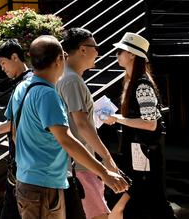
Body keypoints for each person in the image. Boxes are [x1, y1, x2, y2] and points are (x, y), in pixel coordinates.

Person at [10, 36, 127, 219]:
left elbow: (14, 132)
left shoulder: (22, 88)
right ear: (58, 59)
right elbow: (66, 139)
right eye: (63, 55)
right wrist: (105, 173)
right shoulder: (48, 94)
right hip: (45, 184)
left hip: (26, 179)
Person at [101, 33, 175, 219]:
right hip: (137, 151)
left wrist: (117, 119)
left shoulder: (142, 85)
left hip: (145, 152)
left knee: (148, 195)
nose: (117, 55)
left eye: (120, 51)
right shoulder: (131, 81)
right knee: (144, 197)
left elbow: (150, 124)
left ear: (132, 54)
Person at [59, 29, 119, 219]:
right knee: (98, 216)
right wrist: (107, 158)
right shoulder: (71, 80)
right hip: (80, 165)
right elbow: (82, 125)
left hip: (73, 163)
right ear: (82, 49)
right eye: (95, 47)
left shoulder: (65, 76)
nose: (98, 52)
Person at [0, 39, 33, 219]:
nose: (2, 68)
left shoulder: (26, 83)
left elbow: (19, 119)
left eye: (3, 63)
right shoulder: (24, 82)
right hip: (19, 161)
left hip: (24, 162)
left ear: (15, 57)